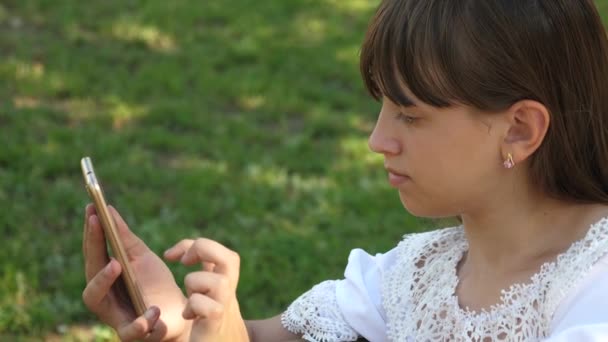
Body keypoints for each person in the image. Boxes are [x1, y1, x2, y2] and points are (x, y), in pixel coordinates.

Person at [82, 0, 608, 340]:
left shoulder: (594, 287)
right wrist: (181, 321)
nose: (378, 141)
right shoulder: (418, 274)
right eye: (381, 107)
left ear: (520, 128)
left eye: (410, 114)